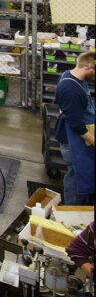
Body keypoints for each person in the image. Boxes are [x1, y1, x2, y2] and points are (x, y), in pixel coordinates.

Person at [55, 50, 95, 205]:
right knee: (76, 176)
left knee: (81, 174)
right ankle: (72, 210)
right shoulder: (71, 89)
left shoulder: (71, 75)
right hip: (73, 141)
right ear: (88, 68)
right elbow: (77, 125)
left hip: (78, 137)